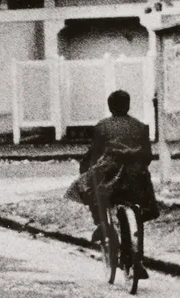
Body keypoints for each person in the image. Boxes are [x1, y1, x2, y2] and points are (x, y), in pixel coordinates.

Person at [67, 89, 160, 274]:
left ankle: (102, 226)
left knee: (91, 190)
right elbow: (148, 157)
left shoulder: (102, 127)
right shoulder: (141, 127)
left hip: (111, 183)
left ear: (110, 107)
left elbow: (94, 155)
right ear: (128, 105)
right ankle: (137, 255)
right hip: (136, 184)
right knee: (140, 211)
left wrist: (86, 169)